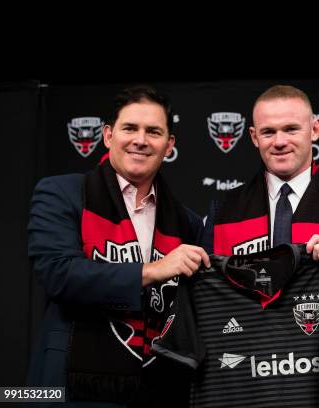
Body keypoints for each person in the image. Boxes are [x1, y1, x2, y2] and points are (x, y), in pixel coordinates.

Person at [201, 84, 319, 406]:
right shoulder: (223, 210)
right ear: (254, 137)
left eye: (291, 129)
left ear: (315, 129)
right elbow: (203, 310)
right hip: (243, 385)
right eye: (269, 131)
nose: (280, 141)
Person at [27, 85, 210, 407]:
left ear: (169, 146)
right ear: (109, 135)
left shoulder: (189, 223)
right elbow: (58, 274)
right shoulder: (62, 193)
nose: (140, 140)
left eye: (153, 131)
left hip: (158, 385)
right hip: (72, 385)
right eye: (130, 128)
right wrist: (152, 270)